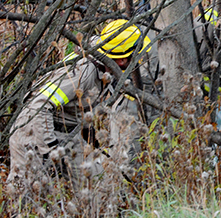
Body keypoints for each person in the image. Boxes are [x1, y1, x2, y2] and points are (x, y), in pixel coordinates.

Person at [7, 19, 152, 186]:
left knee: (100, 185)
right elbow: (37, 107)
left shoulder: (107, 66)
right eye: (137, 54)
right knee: (26, 198)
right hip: (32, 132)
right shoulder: (82, 73)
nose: (140, 58)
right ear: (121, 60)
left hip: (66, 134)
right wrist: (51, 148)